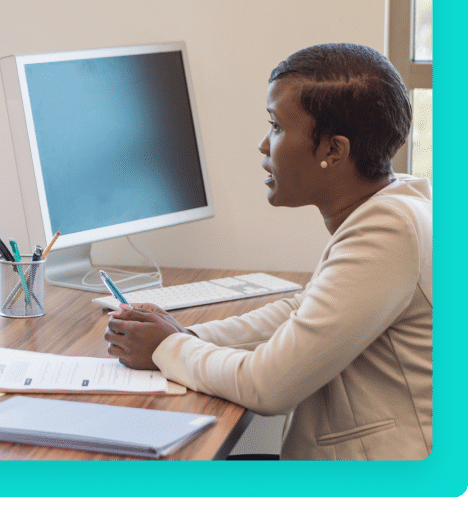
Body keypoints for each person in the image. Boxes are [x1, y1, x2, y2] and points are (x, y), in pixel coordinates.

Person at [105, 43, 431, 460]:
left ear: (334, 150)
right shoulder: (395, 203)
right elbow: (305, 309)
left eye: (276, 126)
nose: (263, 144)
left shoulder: (388, 231)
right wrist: (187, 334)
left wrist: (167, 349)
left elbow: (268, 387)